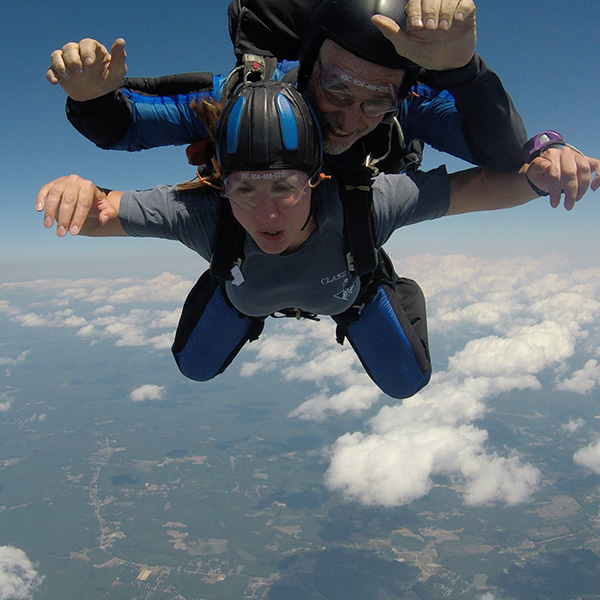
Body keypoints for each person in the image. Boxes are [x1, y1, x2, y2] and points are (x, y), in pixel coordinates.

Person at [36, 81, 597, 398]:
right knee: (194, 368)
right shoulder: (207, 215)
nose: (266, 209)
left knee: (407, 382)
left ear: (317, 178)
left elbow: (477, 188)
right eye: (244, 187)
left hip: (349, 292)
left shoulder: (365, 205)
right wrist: (77, 191)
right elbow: (100, 209)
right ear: (220, 184)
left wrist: (539, 170)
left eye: (285, 184)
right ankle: (238, 293)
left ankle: (377, 285)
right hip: (253, 289)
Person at [46, 0, 597, 207]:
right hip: (250, 246)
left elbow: (499, 153)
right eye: (335, 89)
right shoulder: (249, 98)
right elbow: (129, 126)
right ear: (305, 69)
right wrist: (94, 98)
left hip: (351, 249)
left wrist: (465, 73)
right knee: (198, 359)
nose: (351, 116)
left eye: (377, 100)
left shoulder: (404, 106)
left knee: (406, 375)